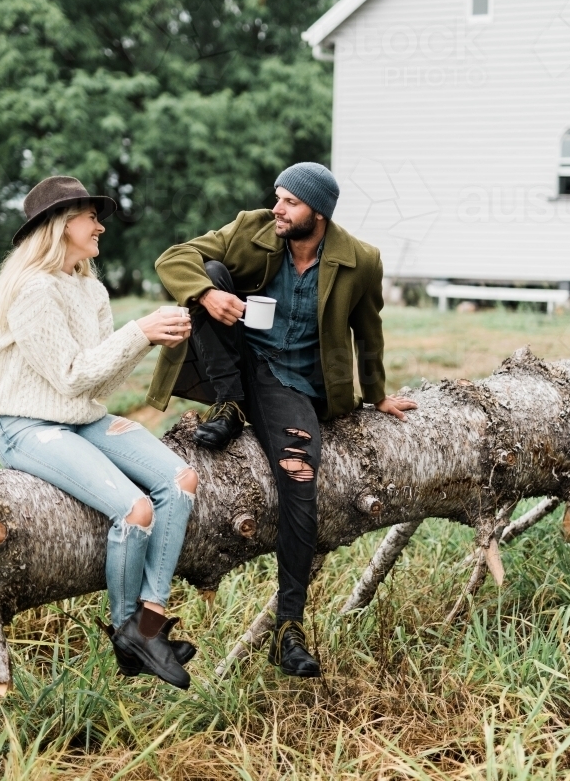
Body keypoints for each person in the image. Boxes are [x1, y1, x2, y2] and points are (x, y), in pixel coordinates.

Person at [146, 161, 417, 678]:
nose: (277, 209)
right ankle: (228, 405)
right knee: (212, 272)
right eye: (277, 198)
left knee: (299, 476)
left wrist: (378, 395)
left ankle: (289, 626)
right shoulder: (253, 228)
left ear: (317, 210)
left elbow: (370, 330)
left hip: (294, 384)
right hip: (239, 359)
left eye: (289, 202)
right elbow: (175, 256)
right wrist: (208, 294)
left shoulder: (360, 260)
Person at [0, 176, 198, 690]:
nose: (100, 226)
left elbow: (100, 379)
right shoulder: (31, 289)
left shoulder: (90, 287)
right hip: (26, 425)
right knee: (135, 509)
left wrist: (143, 341)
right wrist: (139, 331)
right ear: (60, 225)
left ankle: (150, 624)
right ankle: (125, 629)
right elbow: (71, 373)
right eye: (91, 216)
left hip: (82, 415)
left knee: (179, 480)